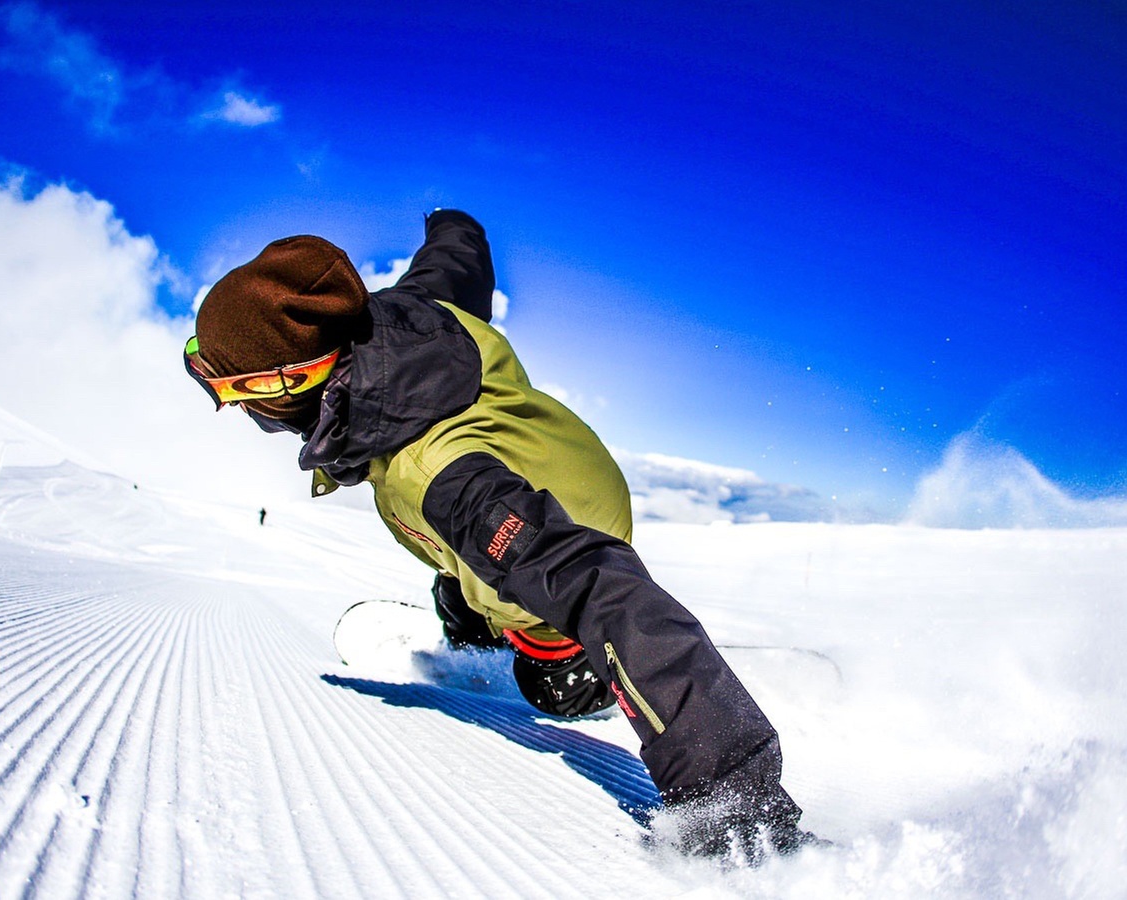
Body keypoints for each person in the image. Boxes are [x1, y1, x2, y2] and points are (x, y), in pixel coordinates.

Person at [183, 209, 810, 860]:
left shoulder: (438, 478)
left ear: (286, 386)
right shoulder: (403, 314)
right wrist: (452, 223)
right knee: (455, 590)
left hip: (561, 526)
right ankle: (493, 631)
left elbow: (597, 583)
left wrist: (738, 812)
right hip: (557, 462)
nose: (230, 406)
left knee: (549, 681)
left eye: (229, 389)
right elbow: (454, 263)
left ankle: (601, 669)